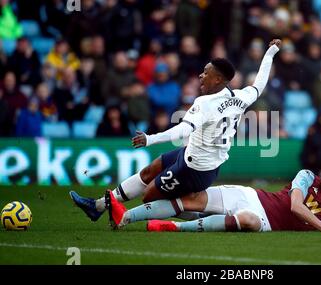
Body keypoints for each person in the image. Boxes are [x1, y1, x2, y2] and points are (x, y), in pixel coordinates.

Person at [70, 39, 282, 223]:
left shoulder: (205, 103)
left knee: (149, 196)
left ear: (218, 80)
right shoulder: (240, 97)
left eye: (206, 73)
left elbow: (182, 130)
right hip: (194, 157)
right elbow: (259, 84)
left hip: (196, 169)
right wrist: (270, 53)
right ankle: (98, 207)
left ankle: (202, 217)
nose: (200, 75)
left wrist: (150, 139)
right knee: (149, 171)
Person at [106, 158, 321, 233]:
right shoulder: (306, 176)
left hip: (262, 219)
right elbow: (296, 207)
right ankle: (126, 215)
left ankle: (172, 228)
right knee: (192, 201)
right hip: (252, 195)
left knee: (248, 223)